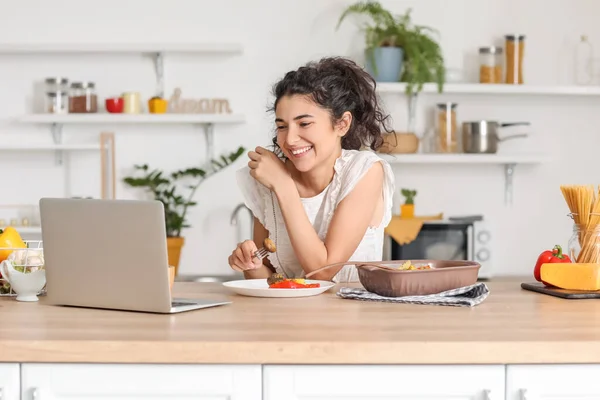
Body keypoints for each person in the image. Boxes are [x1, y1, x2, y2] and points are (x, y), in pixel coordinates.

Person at [228, 56, 395, 282]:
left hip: (354, 316)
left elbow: (324, 270)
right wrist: (250, 264)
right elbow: (269, 279)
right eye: (282, 126)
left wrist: (284, 186)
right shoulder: (268, 181)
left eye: (304, 124)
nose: (290, 139)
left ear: (342, 124)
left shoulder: (364, 171)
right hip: (285, 317)